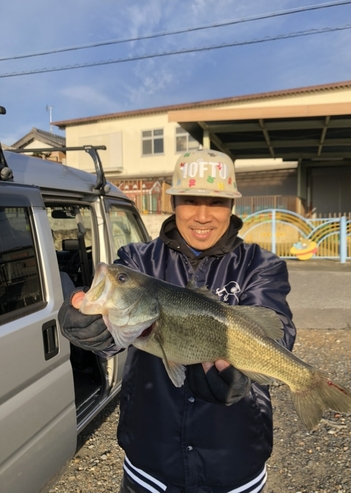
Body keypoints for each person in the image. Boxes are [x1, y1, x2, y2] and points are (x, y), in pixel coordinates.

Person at [59, 148, 296, 493]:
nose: (202, 216)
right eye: (190, 200)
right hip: (151, 462)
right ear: (174, 202)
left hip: (234, 459)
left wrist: (237, 381)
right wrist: (89, 329)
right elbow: (119, 333)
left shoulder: (261, 265)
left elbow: (277, 330)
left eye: (215, 203)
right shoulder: (136, 259)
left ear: (232, 206)